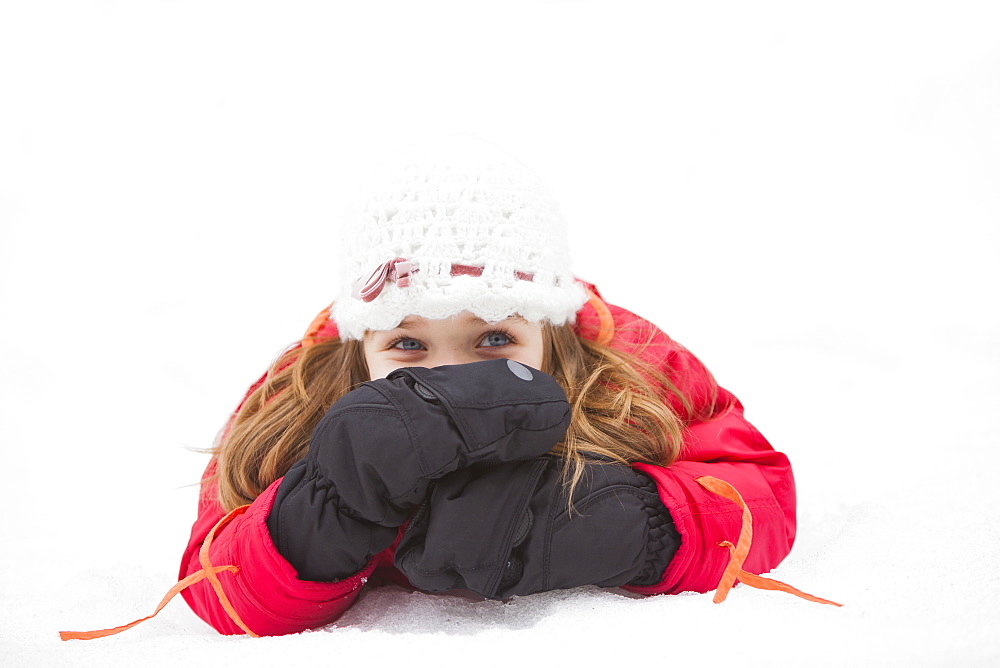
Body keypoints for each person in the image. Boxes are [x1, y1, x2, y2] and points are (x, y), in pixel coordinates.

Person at [60, 136, 835, 642]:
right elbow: (218, 581)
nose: (454, 373)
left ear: (550, 331)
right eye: (409, 344)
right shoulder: (303, 388)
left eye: (494, 339)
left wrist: (628, 525)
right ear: (359, 342)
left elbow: (757, 491)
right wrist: (324, 510)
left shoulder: (620, 359)